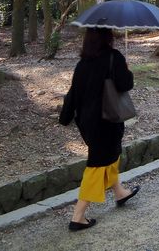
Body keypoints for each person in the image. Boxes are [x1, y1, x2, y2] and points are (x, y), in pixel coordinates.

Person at [59, 28, 139, 231]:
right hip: (108, 120)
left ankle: (120, 192)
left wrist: (65, 117)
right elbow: (125, 84)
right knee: (97, 165)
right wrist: (127, 70)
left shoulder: (82, 64)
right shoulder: (114, 57)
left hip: (88, 123)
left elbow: (73, 93)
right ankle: (78, 216)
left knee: (110, 157)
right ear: (107, 37)